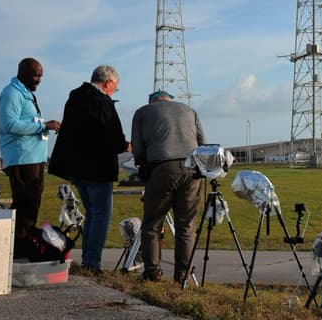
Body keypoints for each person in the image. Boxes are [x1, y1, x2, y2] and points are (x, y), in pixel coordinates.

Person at [48, 65, 131, 273]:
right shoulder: (102, 101)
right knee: (101, 215)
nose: (113, 92)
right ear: (108, 83)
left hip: (76, 167)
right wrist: (125, 146)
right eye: (115, 88)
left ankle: (88, 260)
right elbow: (113, 135)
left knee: (91, 213)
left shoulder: (75, 98)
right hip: (98, 168)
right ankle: (92, 263)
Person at [131, 89, 206, 282]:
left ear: (152, 101)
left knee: (152, 224)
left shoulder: (142, 112)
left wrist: (143, 166)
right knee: (186, 226)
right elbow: (203, 144)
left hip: (162, 168)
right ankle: (182, 277)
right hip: (191, 169)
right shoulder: (190, 111)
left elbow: (138, 147)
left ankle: (152, 273)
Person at [0, 58, 61, 259]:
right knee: (25, 206)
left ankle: (23, 248)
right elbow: (10, 125)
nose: (39, 80)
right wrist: (44, 126)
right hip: (21, 159)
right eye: (36, 75)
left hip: (32, 158)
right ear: (22, 72)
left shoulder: (26, 95)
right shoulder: (11, 94)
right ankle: (18, 252)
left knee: (31, 205)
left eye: (41, 76)